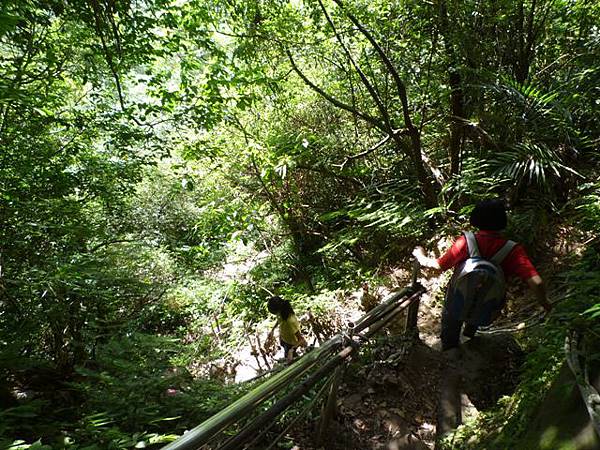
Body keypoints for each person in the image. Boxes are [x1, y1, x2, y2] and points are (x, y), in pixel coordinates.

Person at [412, 199, 552, 350]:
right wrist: (545, 304)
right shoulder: (512, 250)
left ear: (476, 218)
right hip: (487, 304)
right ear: (502, 220)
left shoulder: (466, 241)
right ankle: (469, 340)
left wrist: (421, 256)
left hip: (457, 299)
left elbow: (439, 265)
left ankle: (450, 353)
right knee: (478, 312)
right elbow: (536, 282)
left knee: (450, 334)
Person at [267, 296, 307, 362]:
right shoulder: (281, 313)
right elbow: (279, 320)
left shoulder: (290, 321)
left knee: (293, 362)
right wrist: (272, 330)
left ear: (277, 309)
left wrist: (292, 350)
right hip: (285, 341)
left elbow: (301, 340)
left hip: (292, 345)